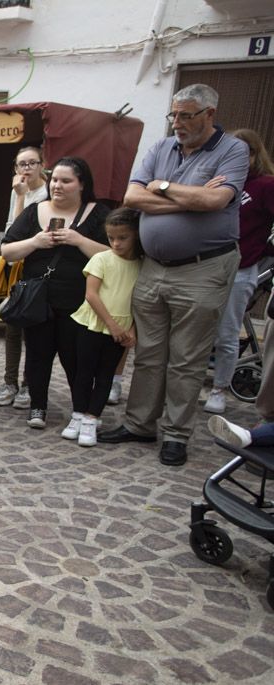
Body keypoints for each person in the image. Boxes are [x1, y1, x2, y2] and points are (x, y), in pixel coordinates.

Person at [99, 84, 249, 467]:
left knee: (187, 358)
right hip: (154, 267)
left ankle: (177, 434)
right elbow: (132, 197)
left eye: (186, 115)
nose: (177, 123)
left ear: (209, 114)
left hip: (203, 268)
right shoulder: (162, 147)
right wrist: (188, 198)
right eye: (174, 115)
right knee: (148, 354)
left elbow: (216, 200)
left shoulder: (232, 150)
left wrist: (162, 187)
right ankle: (140, 424)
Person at [1, 157, 110, 429]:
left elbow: (116, 256)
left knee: (77, 358)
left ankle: (80, 410)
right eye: (55, 180)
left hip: (81, 301)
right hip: (39, 299)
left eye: (66, 181)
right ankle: (37, 406)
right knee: (38, 354)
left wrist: (79, 240)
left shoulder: (98, 214)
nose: (57, 186)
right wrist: (35, 241)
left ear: (82, 184)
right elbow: (7, 251)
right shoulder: (34, 210)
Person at [204, 129, 274, 414]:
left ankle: (219, 388)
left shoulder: (265, 185)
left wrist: (266, 252)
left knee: (227, 332)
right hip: (206, 265)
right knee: (196, 331)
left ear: (256, 155)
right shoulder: (219, 180)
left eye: (246, 152)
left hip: (243, 267)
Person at [63, 208, 142, 447]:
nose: (116, 243)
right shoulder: (101, 259)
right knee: (83, 371)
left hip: (121, 327)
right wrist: (112, 325)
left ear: (135, 236)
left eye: (122, 238)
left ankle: (92, 418)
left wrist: (132, 331)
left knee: (107, 373)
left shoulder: (141, 265)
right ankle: (78, 414)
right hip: (93, 323)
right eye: (111, 238)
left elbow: (141, 302)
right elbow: (92, 294)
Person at [0, 146, 48, 409]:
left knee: (35, 330)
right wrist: (20, 198)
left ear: (42, 165)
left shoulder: (48, 193)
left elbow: (33, 231)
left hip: (40, 268)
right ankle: (9, 381)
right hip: (17, 266)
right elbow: (12, 232)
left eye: (31, 163)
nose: (26, 169)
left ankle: (29, 385)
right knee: (12, 324)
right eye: (21, 165)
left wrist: (23, 198)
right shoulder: (19, 193)